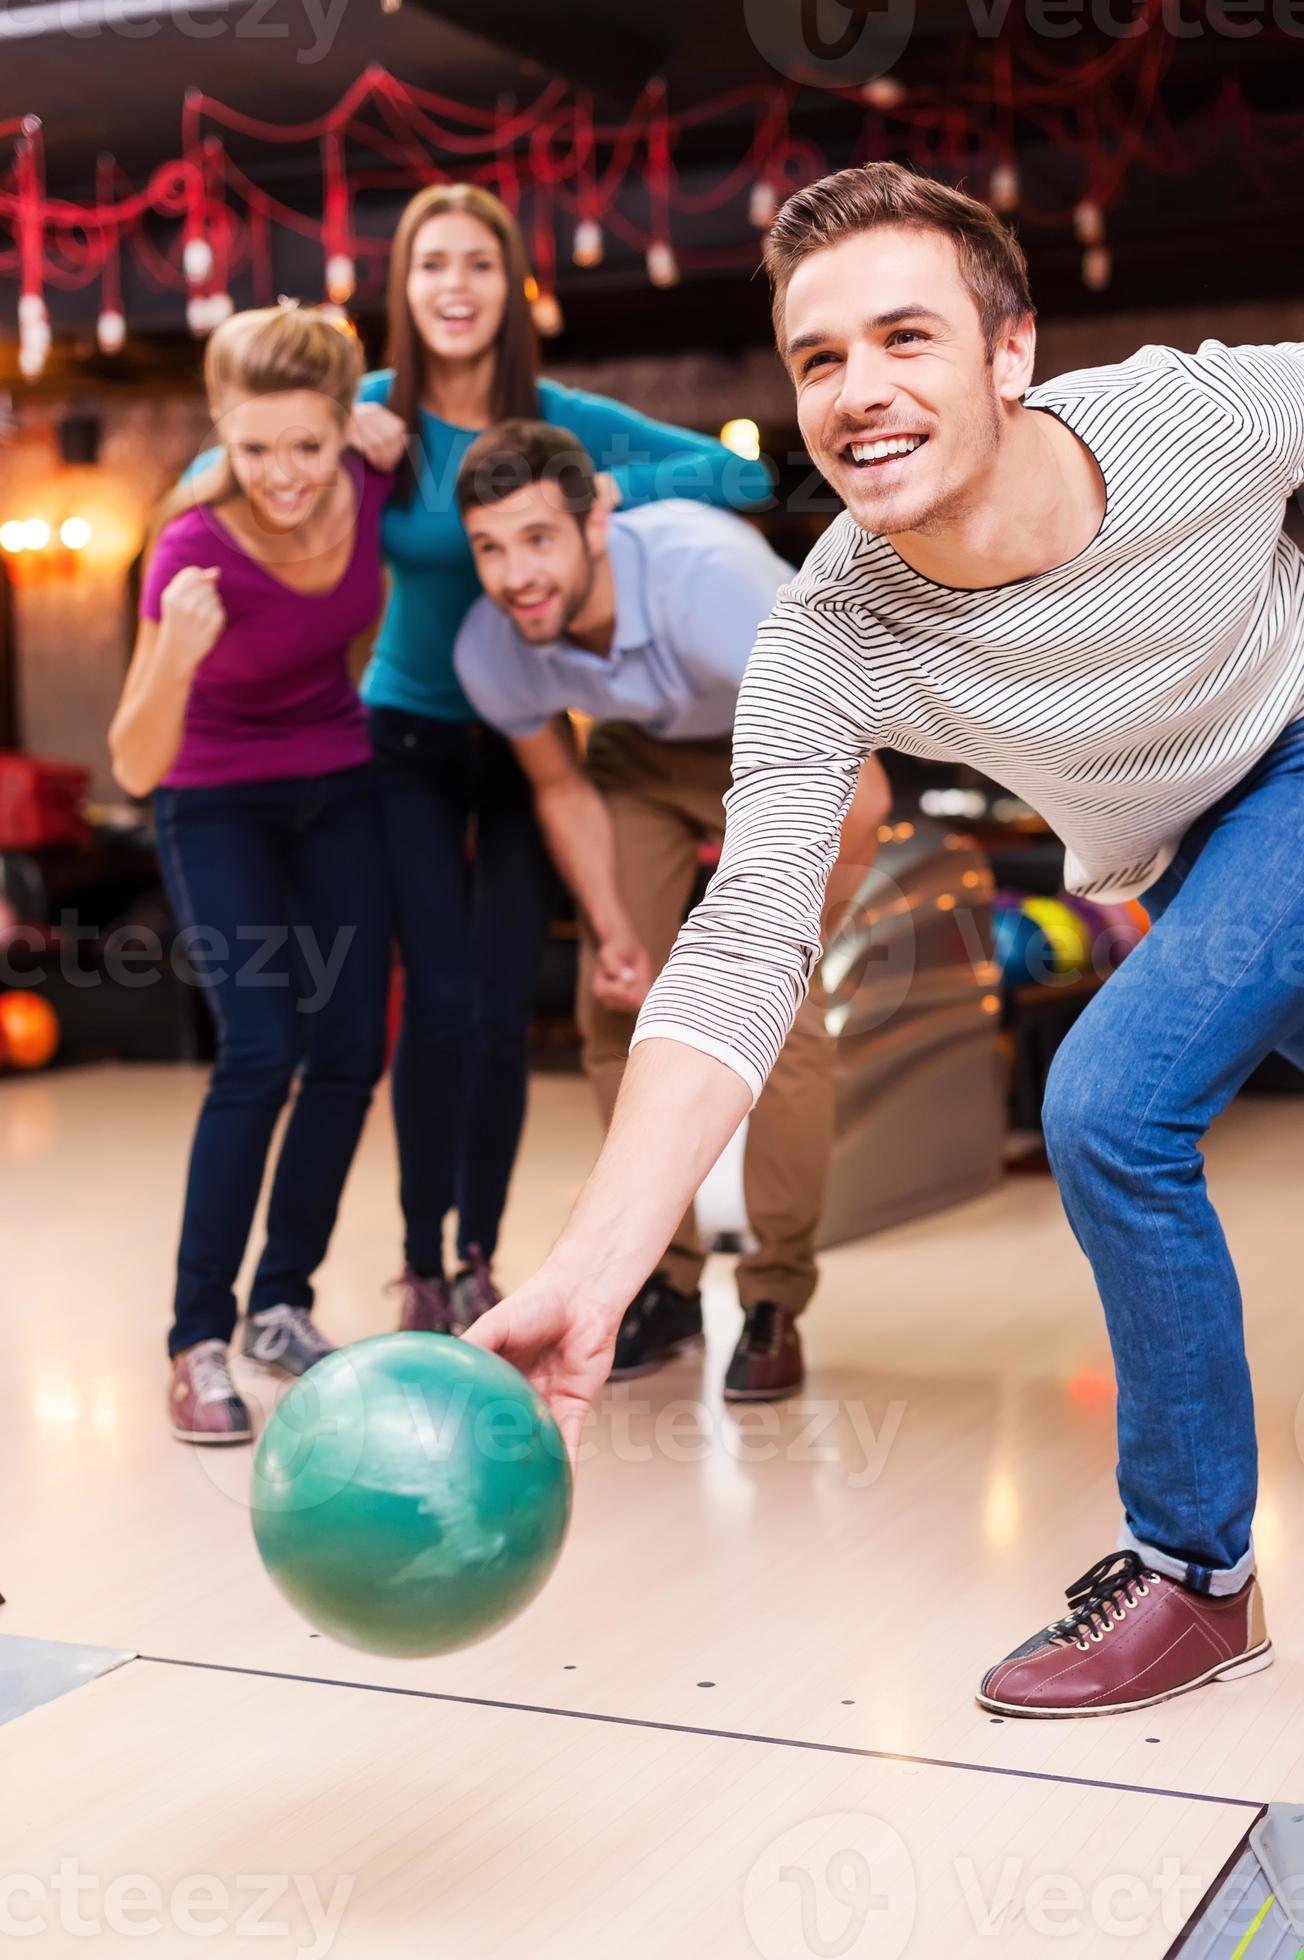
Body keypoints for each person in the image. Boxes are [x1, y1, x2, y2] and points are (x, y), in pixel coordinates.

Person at [468, 161, 1304, 1718]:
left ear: (1009, 353)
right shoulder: (831, 633)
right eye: (819, 359)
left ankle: (1196, 1581)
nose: (858, 392)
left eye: (905, 338)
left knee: (1110, 1108)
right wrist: (592, 1273)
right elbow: (740, 947)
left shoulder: (1207, 416)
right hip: (1191, 863)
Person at [348, 183, 775, 1340]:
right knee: (431, 1003)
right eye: (430, 264)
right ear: (402, 287)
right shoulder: (369, 412)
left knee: (497, 1008)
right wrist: (341, 433)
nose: (453, 287)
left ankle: (480, 1256)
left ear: (510, 288)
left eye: (478, 264)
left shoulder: (559, 415)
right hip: (408, 733)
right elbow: (220, 479)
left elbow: (743, 477)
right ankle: (417, 1259)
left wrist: (606, 492)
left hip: (534, 729)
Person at [451, 419, 891, 1395]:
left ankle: (772, 1295)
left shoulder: (709, 581)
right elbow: (563, 791)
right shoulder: (492, 646)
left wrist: (796, 938)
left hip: (774, 734)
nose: (515, 573)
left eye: (536, 538)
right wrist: (611, 929)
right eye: (489, 547)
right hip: (636, 752)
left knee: (780, 1015)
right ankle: (664, 1280)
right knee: (614, 1000)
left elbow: (861, 788)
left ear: (594, 518)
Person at [110, 305, 393, 1445]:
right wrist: (177, 643)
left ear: (344, 428)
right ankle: (196, 1338)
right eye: (254, 446)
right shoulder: (188, 548)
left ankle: (282, 1303)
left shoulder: (373, 471)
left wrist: (385, 423)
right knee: (261, 1048)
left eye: (307, 446)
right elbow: (134, 759)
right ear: (218, 428)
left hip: (340, 782)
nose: (282, 474)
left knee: (348, 1053)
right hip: (212, 795)